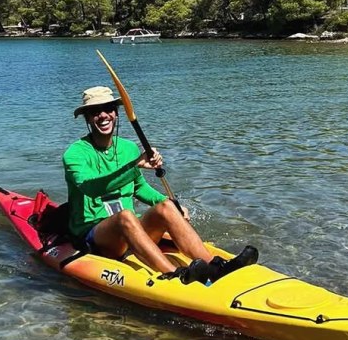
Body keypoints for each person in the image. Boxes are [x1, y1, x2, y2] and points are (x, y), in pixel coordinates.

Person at [63, 86, 257, 284]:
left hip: (130, 231)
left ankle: (215, 267)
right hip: (96, 237)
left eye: (108, 109)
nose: (103, 115)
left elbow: (139, 187)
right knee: (125, 217)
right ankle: (176, 274)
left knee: (166, 206)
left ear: (116, 113)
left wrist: (173, 206)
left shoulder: (128, 148)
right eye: (95, 111)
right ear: (87, 118)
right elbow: (91, 188)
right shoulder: (74, 154)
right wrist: (134, 166)